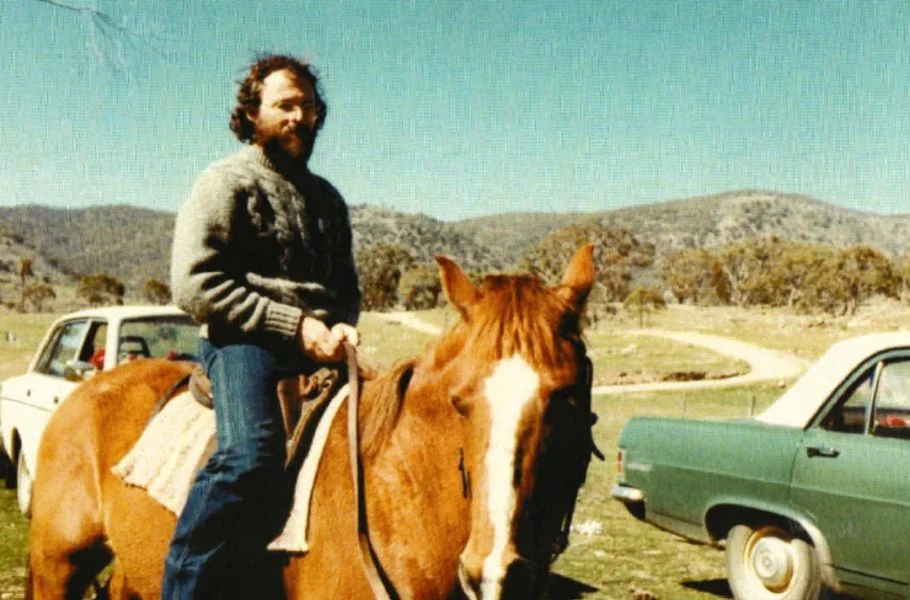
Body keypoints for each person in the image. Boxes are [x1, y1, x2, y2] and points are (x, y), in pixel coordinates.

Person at [164, 54, 361, 599]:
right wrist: (294, 326)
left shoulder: (328, 199)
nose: (299, 117)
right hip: (242, 342)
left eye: (308, 106)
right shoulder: (226, 181)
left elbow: (346, 290)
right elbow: (193, 284)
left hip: (320, 345)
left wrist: (341, 326)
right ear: (252, 113)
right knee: (249, 455)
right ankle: (183, 585)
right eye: (284, 105)